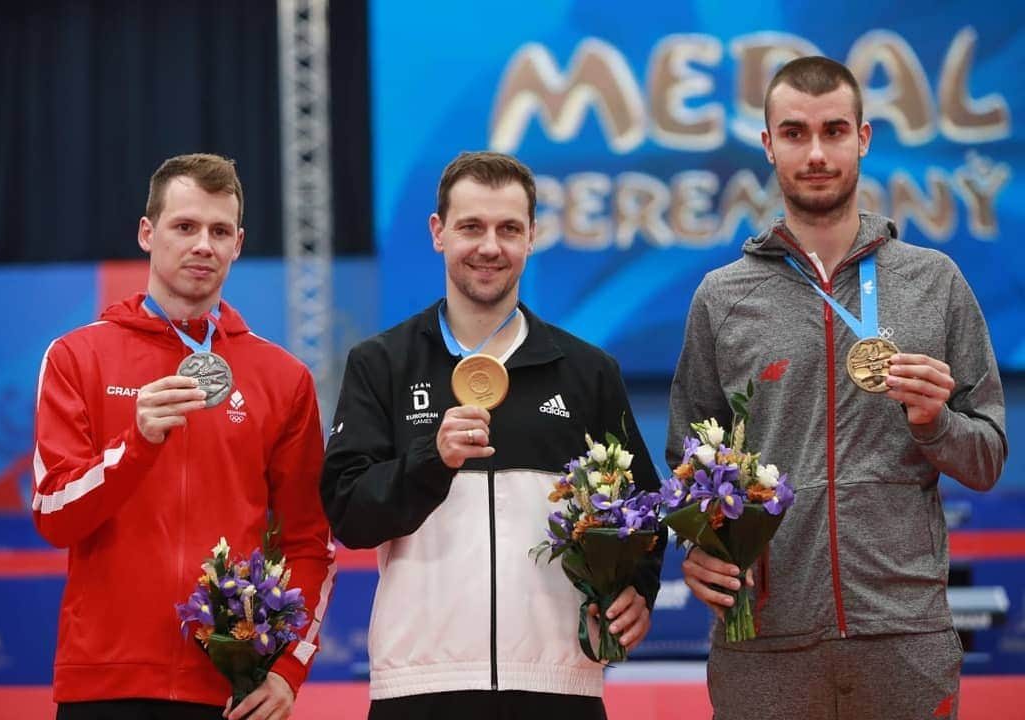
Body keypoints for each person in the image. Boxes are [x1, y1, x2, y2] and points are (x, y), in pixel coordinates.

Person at [669, 56, 1008, 720]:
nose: (816, 152)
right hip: (762, 645)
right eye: (795, 133)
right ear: (769, 145)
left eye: (834, 130)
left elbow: (987, 457)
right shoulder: (722, 298)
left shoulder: (934, 283)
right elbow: (690, 464)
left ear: (864, 137)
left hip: (904, 636)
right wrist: (698, 546)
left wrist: (936, 422)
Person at [321, 151, 662, 720]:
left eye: (508, 229)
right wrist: (433, 459)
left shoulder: (586, 371)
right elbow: (349, 515)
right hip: (420, 682)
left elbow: (643, 510)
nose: (489, 247)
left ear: (533, 236)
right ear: (438, 233)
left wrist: (639, 592)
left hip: (559, 680)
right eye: (471, 227)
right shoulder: (381, 364)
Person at [32, 153, 336, 720]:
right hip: (105, 683)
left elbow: (309, 544)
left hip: (228, 689)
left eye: (220, 231)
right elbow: (54, 514)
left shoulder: (283, 377)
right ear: (148, 233)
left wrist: (290, 667)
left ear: (239, 243)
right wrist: (136, 444)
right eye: (185, 227)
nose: (203, 245)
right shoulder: (78, 356)